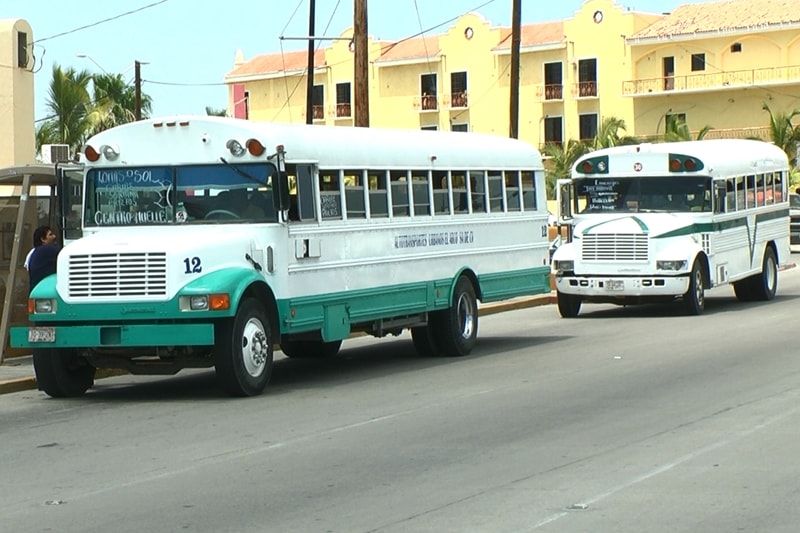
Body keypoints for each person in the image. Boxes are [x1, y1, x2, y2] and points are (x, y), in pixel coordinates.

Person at [27, 225, 60, 292]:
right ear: (43, 239)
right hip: (44, 293)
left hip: (36, 291)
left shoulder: (34, 252)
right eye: (50, 235)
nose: (54, 236)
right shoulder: (46, 250)